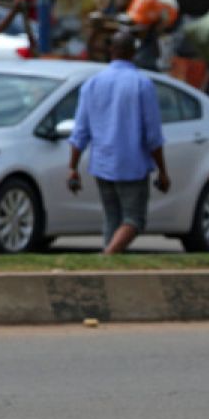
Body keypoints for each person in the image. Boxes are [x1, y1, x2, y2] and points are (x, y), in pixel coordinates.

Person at [68, 30, 170, 254]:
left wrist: (72, 168)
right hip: (132, 164)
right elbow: (153, 134)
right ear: (133, 53)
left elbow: (80, 131)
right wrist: (162, 170)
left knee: (112, 218)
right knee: (134, 219)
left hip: (102, 163)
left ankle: (109, 261)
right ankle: (108, 257)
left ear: (111, 51)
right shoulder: (142, 84)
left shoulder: (92, 84)